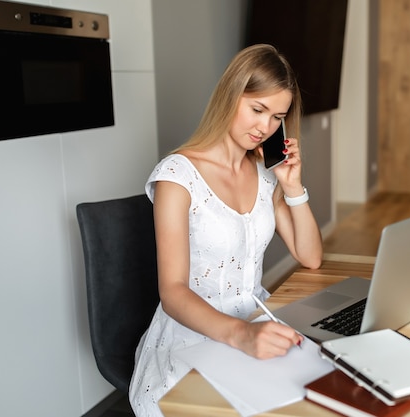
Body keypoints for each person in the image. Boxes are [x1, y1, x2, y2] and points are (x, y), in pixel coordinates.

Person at [128, 44, 323, 416]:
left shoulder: (265, 173)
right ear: (231, 96)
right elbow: (172, 292)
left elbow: (310, 256)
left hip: (256, 323)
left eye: (276, 117)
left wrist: (293, 186)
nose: (264, 127)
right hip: (194, 337)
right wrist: (241, 335)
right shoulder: (177, 176)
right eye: (257, 109)